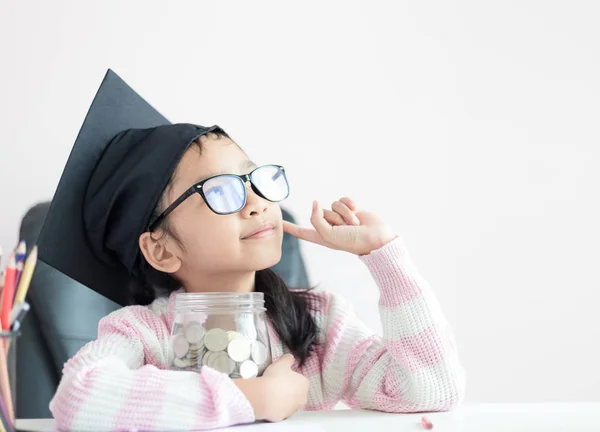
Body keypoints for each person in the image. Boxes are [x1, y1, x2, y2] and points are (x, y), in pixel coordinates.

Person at [39, 70, 465, 431]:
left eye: (255, 180)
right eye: (222, 191)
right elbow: (78, 400)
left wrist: (384, 257)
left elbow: (430, 389)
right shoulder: (143, 334)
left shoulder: (317, 323)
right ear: (162, 249)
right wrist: (253, 398)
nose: (258, 202)